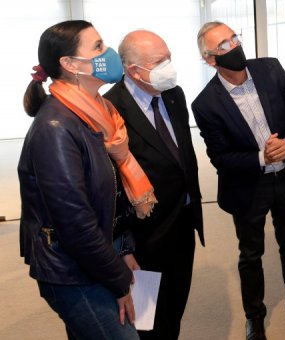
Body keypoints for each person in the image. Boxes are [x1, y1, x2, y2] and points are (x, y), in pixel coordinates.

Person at [19, 20, 158, 339]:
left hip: (102, 256)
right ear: (69, 64)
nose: (107, 53)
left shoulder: (101, 112)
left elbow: (110, 196)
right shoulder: (56, 128)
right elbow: (75, 224)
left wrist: (123, 248)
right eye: (97, 47)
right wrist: (119, 280)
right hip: (74, 272)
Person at [192, 21, 285, 340]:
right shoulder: (205, 104)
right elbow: (219, 157)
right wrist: (262, 158)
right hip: (248, 187)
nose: (233, 46)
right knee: (250, 254)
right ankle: (254, 317)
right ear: (209, 59)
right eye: (223, 46)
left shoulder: (270, 69)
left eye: (234, 38)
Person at [104, 30, 205, 340]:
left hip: (183, 224)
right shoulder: (109, 109)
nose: (169, 67)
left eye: (169, 58)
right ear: (134, 70)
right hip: (144, 237)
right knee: (146, 320)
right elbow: (110, 186)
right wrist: (122, 245)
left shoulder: (174, 94)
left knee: (174, 309)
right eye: (161, 62)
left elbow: (182, 158)